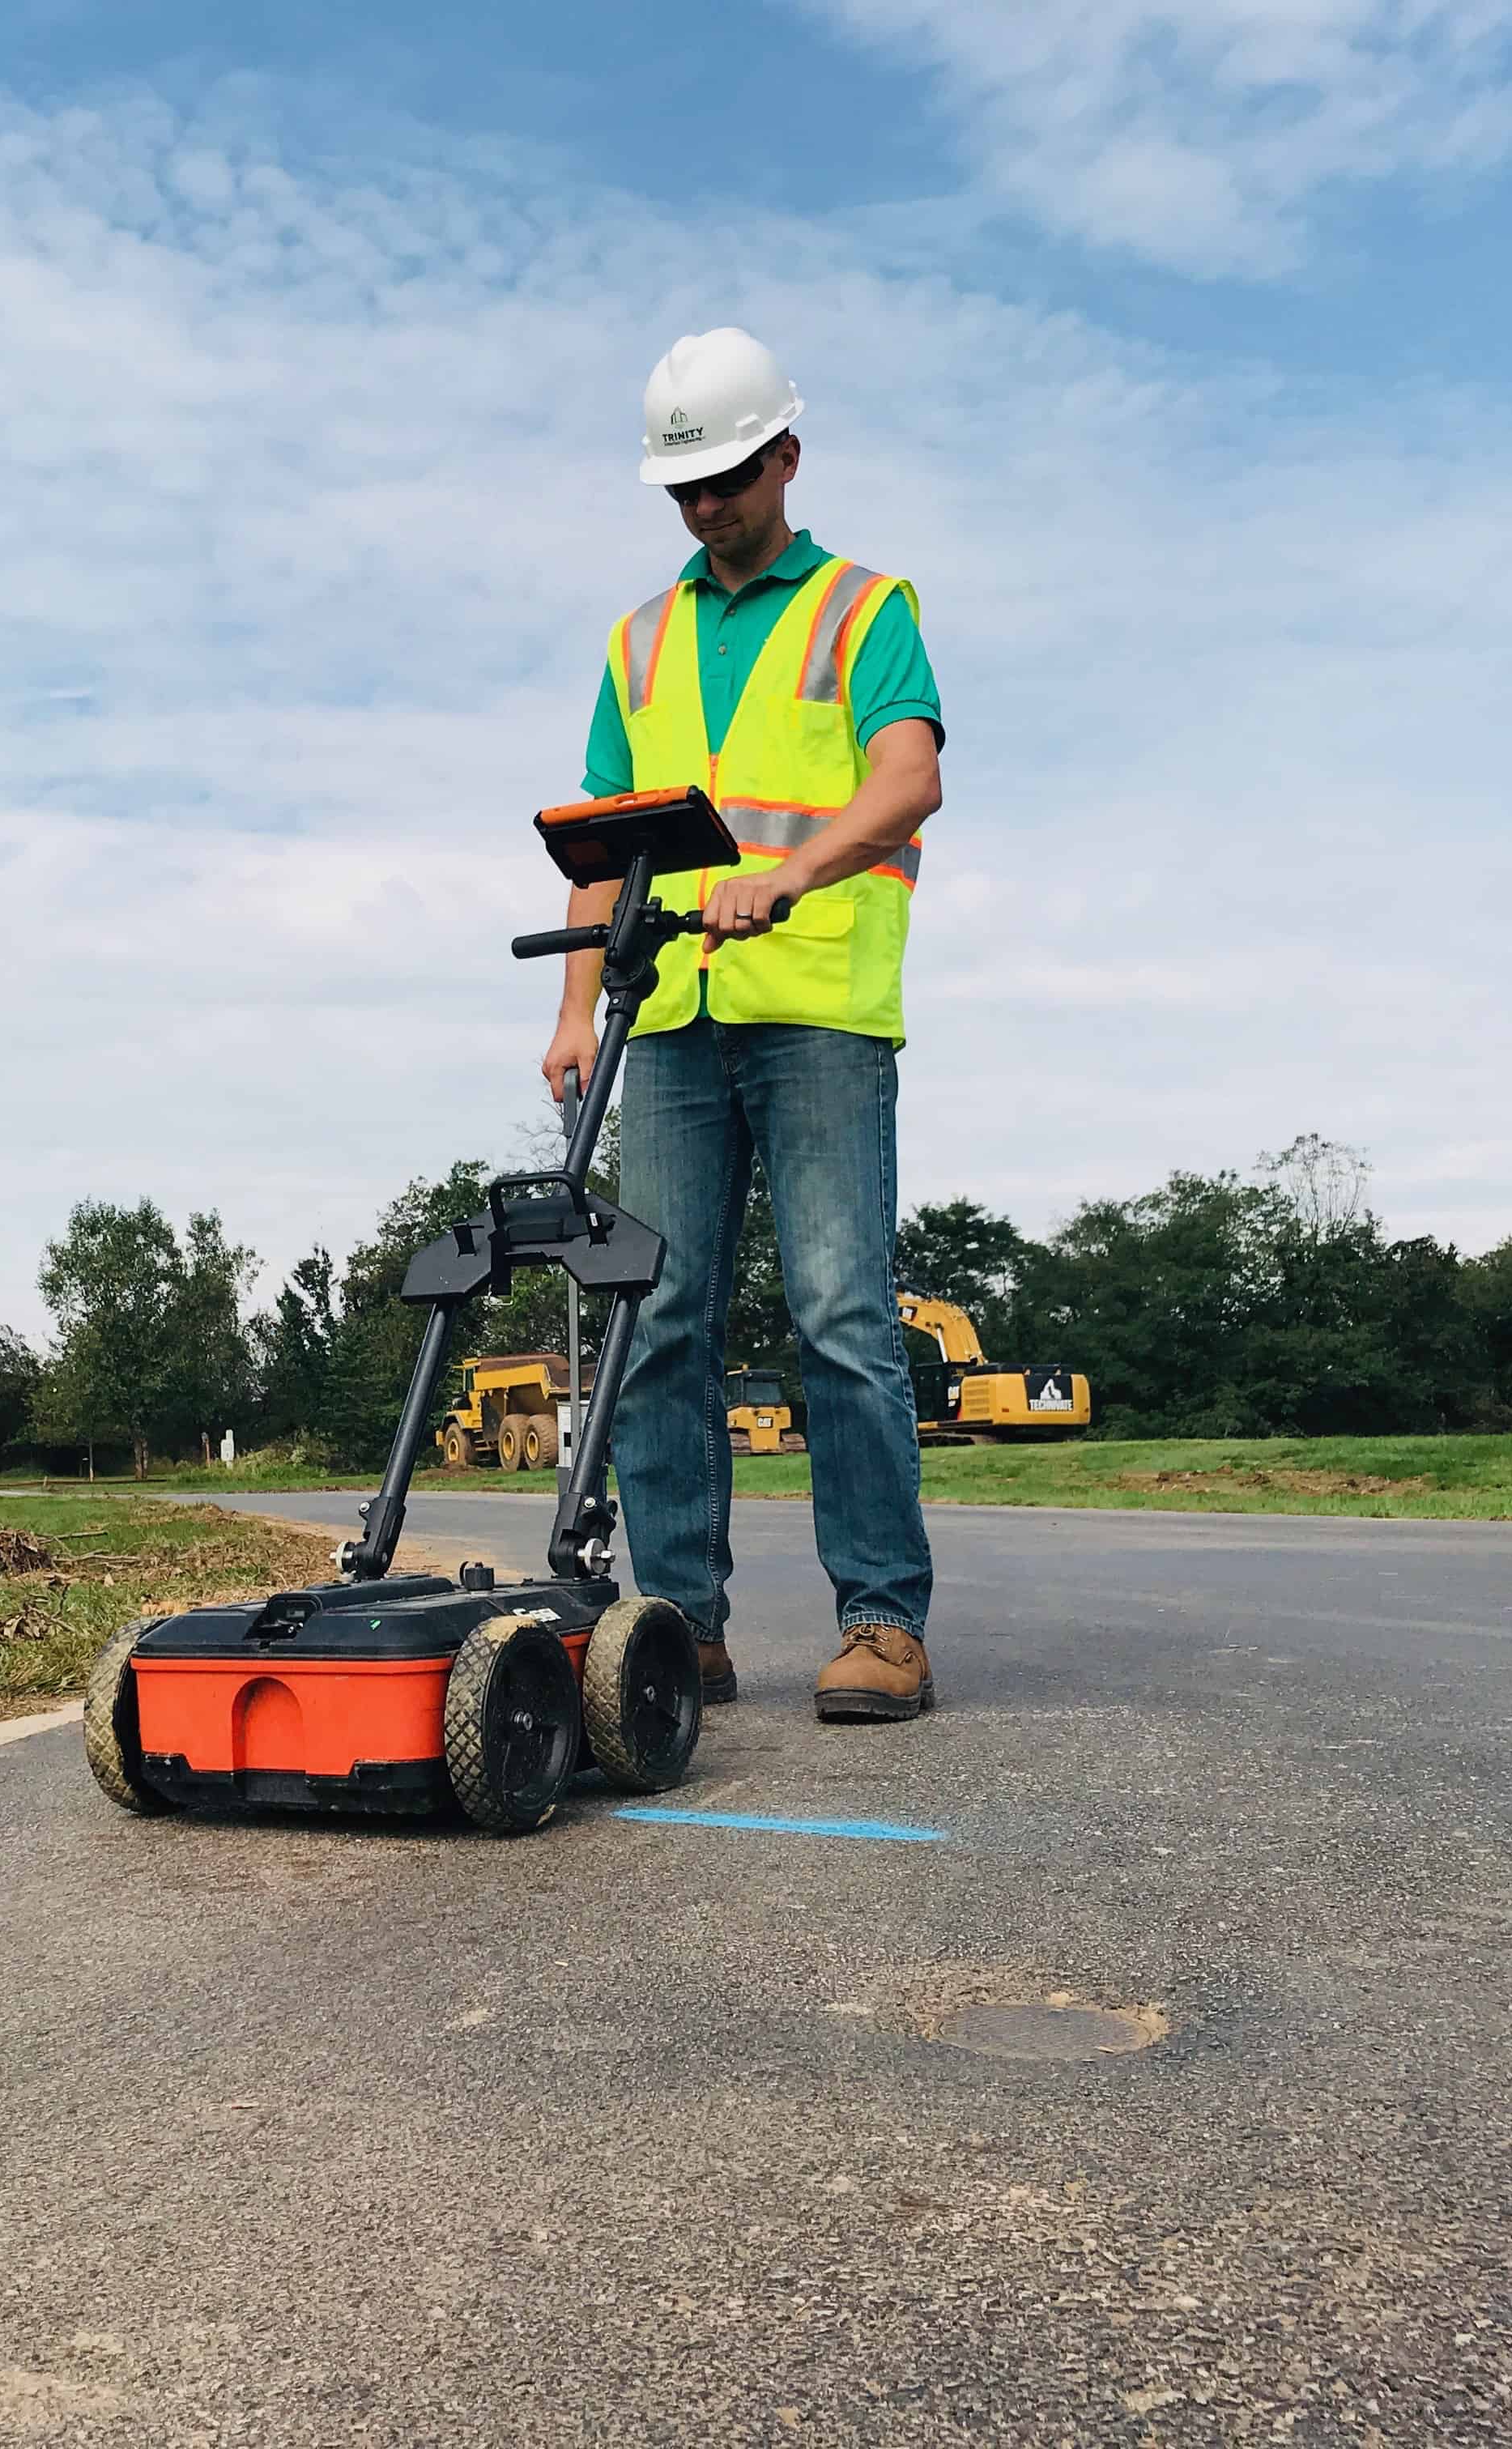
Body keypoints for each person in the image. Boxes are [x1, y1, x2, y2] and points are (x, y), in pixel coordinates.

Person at [539, 328, 943, 1723]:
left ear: (785, 457)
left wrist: (793, 873)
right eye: (684, 489)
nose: (705, 506)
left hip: (816, 1009)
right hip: (668, 1020)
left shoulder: (862, 608)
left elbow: (907, 780)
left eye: (725, 479)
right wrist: (575, 1008)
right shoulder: (637, 641)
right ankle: (678, 1631)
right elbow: (603, 841)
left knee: (841, 1315)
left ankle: (882, 1622)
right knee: (657, 1323)